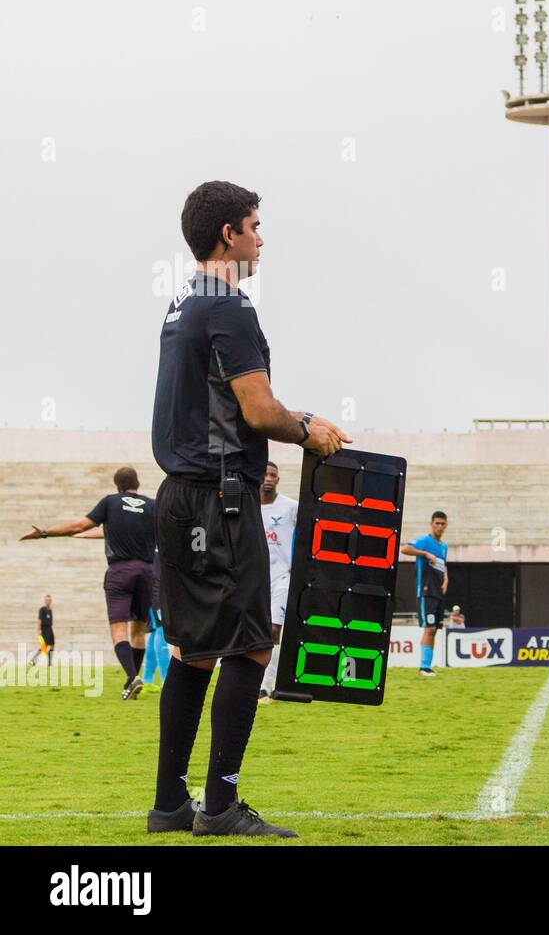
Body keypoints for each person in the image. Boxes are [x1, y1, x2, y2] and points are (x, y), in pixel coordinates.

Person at [147, 180, 349, 838]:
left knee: (194, 652)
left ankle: (170, 806)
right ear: (228, 234)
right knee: (255, 648)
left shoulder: (181, 303)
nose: (262, 238)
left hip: (177, 497)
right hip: (220, 501)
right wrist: (308, 426)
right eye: (255, 226)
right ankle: (221, 806)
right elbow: (258, 409)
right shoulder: (229, 306)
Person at [20, 466, 156, 699]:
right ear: (137, 485)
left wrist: (44, 533)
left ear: (118, 486)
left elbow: (79, 525)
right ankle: (131, 682)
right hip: (146, 571)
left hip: (119, 572)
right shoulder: (152, 505)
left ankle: (132, 676)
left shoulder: (110, 502)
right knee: (139, 631)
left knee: (118, 630)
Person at [259, 461, 298, 702]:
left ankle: (265, 685)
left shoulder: (291, 507)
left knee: (274, 630)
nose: (269, 478)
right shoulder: (247, 506)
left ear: (278, 480)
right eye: (265, 474)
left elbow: (310, 531)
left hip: (282, 577)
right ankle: (252, 681)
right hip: (254, 578)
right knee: (254, 632)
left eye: (273, 475)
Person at [401, 511, 449, 677]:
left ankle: (427, 666)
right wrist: (425, 553)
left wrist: (446, 579)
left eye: (443, 524)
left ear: (446, 525)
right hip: (426, 592)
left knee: (434, 629)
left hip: (438, 593)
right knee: (429, 629)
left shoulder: (444, 546)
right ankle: (423, 668)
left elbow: (444, 564)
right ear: (431, 524)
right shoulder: (424, 540)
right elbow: (405, 549)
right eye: (437, 523)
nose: (440, 526)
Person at [139, 548, 171, 688]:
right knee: (161, 630)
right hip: (157, 597)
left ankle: (147, 680)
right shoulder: (157, 550)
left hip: (153, 595)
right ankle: (166, 680)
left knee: (154, 632)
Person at [29, 595, 55, 667]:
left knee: (52, 645)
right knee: (43, 647)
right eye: (47, 600)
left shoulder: (50, 610)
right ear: (44, 601)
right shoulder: (42, 609)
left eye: (49, 600)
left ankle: (50, 663)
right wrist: (39, 629)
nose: (48, 601)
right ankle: (33, 660)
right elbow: (39, 620)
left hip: (50, 629)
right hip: (44, 629)